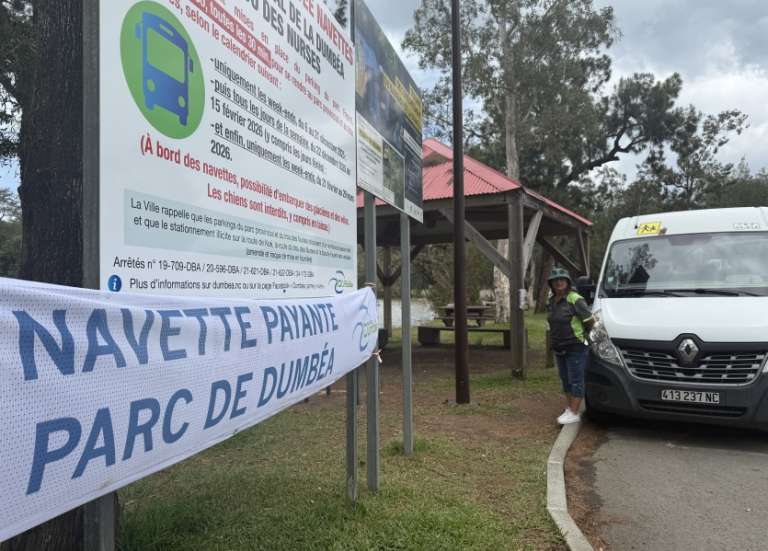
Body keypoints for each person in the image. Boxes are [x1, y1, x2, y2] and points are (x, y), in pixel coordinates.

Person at [546, 268, 595, 425]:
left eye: (562, 279)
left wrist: (583, 338)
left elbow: (590, 322)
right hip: (559, 346)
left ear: (567, 282)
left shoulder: (575, 299)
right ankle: (570, 408)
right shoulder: (552, 301)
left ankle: (574, 412)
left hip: (576, 347)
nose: (559, 282)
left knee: (576, 379)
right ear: (551, 284)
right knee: (565, 378)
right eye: (555, 280)